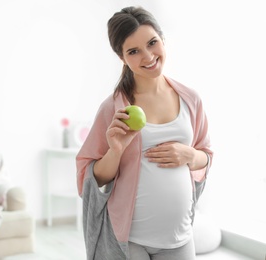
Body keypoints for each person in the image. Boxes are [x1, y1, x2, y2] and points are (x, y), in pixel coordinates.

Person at [76, 6, 213, 260]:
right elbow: (91, 176)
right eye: (133, 51)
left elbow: (206, 155)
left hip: (179, 236)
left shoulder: (191, 99)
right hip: (130, 240)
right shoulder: (114, 108)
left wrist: (190, 155)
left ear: (163, 40)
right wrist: (115, 151)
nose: (148, 56)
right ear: (122, 58)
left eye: (152, 43)